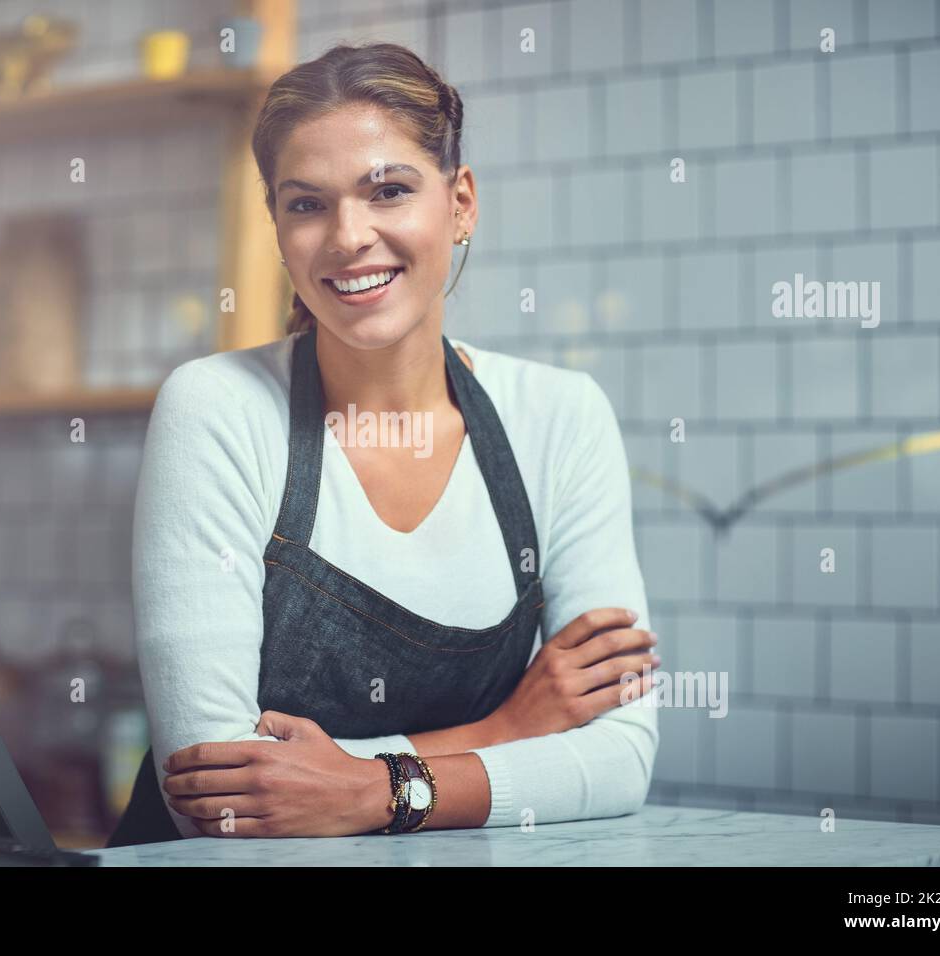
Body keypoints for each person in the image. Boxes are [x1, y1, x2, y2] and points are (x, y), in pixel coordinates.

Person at [107, 41, 660, 844]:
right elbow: (217, 797)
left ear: (461, 203)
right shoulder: (216, 409)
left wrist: (370, 790)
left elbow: (619, 759)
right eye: (306, 205)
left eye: (389, 191)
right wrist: (508, 729)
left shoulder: (562, 417)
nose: (347, 236)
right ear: (277, 227)